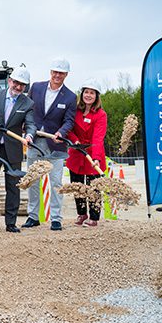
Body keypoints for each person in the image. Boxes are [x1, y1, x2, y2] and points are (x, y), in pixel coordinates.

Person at [0, 67, 36, 234]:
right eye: (16, 83)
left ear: (25, 87)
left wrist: (30, 135)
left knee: (13, 186)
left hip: (13, 150)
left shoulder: (27, 103)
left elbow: (31, 124)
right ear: (10, 81)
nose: (18, 87)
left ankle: (10, 223)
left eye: (22, 85)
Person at [23, 58, 76, 231]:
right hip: (35, 141)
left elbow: (69, 120)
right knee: (32, 180)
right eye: (55, 72)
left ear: (66, 75)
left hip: (56, 145)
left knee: (56, 183)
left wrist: (61, 132)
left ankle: (56, 218)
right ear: (50, 72)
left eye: (61, 73)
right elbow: (27, 111)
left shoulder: (70, 97)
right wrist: (27, 130)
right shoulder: (36, 88)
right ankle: (33, 216)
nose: (57, 75)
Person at [66, 79, 107, 228]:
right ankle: (82, 213)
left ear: (96, 96)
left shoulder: (101, 115)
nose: (88, 95)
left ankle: (94, 218)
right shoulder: (74, 110)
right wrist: (75, 140)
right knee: (77, 186)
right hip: (76, 153)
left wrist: (95, 158)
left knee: (93, 187)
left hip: (93, 154)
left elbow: (98, 137)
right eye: (86, 92)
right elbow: (68, 128)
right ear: (82, 93)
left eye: (92, 93)